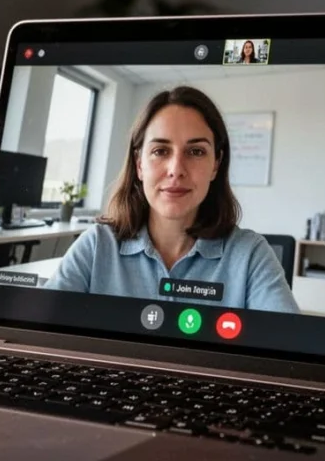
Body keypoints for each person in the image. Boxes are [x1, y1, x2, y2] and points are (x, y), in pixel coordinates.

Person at [44, 86, 299, 314]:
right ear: (139, 164)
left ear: (216, 165)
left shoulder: (251, 254)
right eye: (160, 151)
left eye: (196, 151)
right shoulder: (97, 245)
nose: (176, 169)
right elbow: (42, 329)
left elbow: (287, 351)